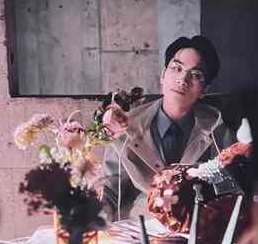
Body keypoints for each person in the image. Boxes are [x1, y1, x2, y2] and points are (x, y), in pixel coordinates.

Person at [100, 35, 236, 221]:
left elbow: (230, 191)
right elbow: (109, 191)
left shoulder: (218, 133)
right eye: (176, 68)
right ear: (163, 75)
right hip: (139, 232)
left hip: (196, 233)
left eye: (195, 75)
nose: (183, 79)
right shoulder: (125, 126)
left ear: (204, 90)